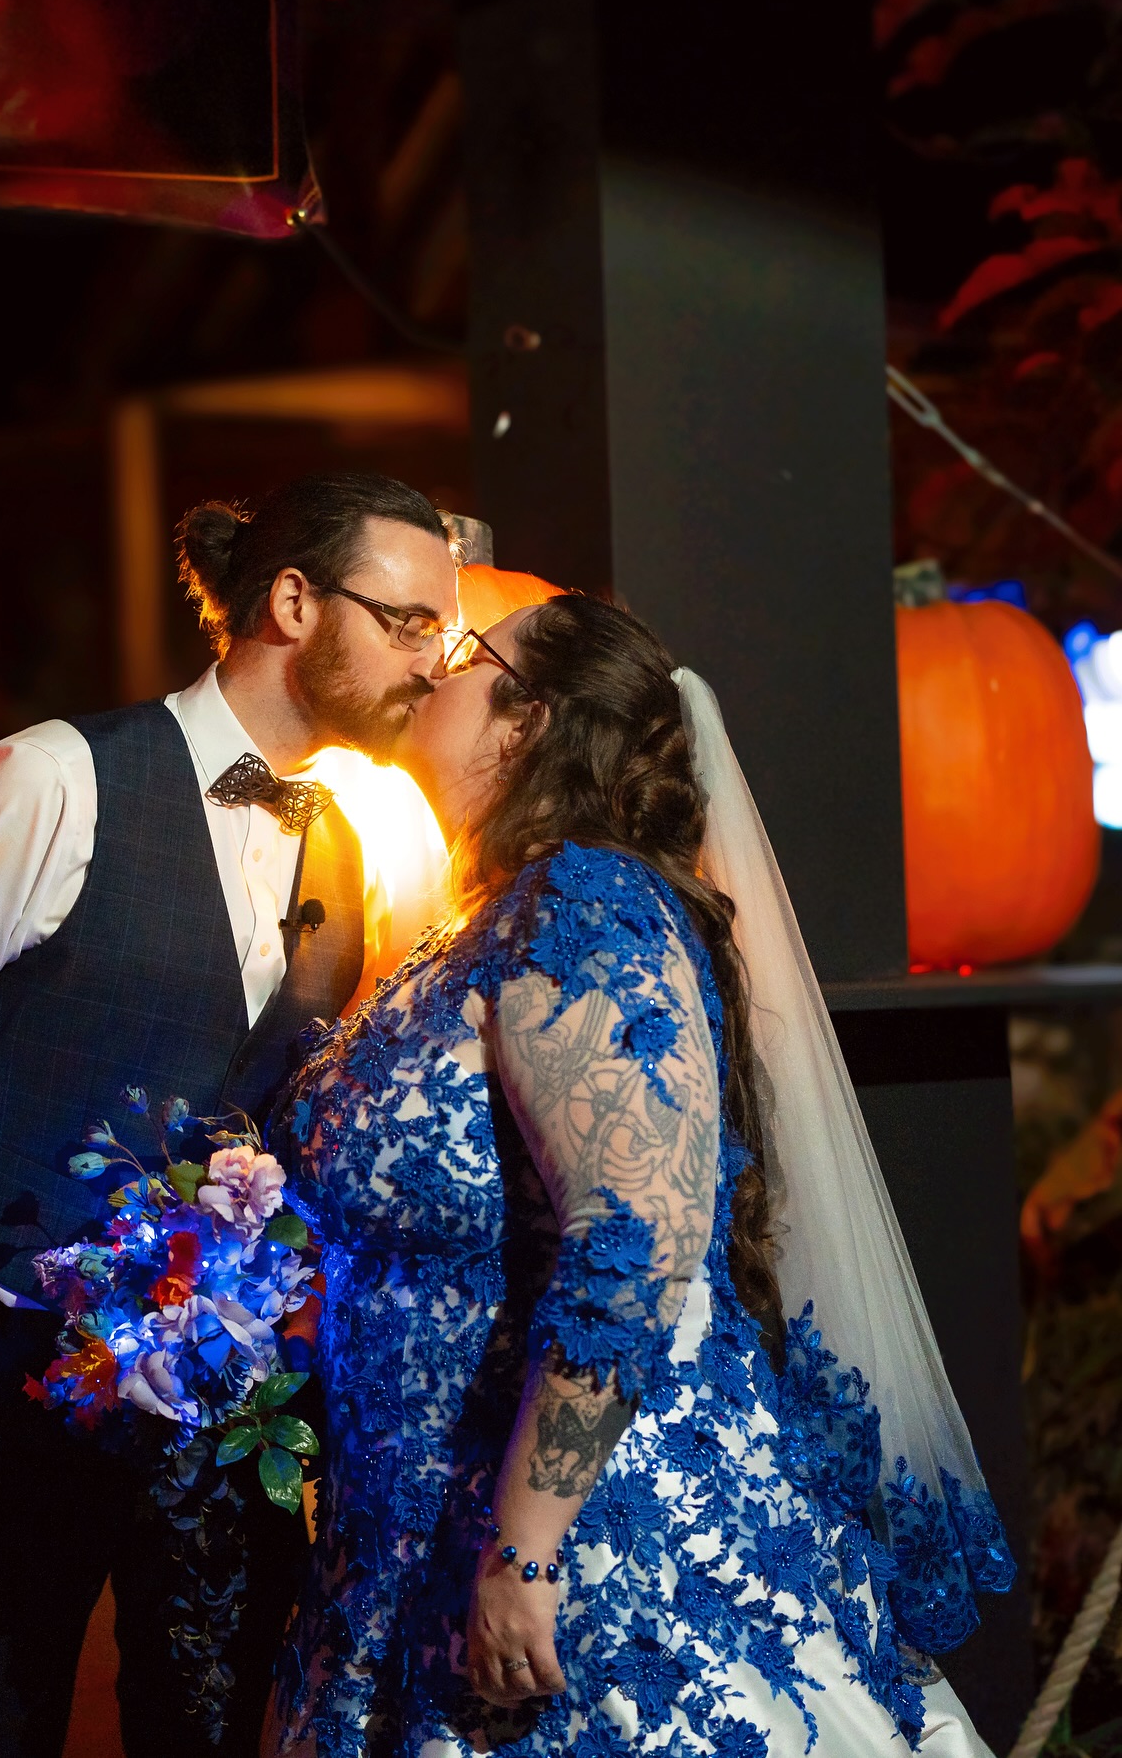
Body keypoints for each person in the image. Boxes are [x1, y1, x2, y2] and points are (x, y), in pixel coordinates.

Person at [0, 473, 459, 1758]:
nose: (432, 663)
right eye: (409, 621)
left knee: (209, 1728)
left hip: (221, 1411)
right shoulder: (53, 780)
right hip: (3, 1378)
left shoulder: (351, 843)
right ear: (295, 601)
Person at [270, 596, 1010, 1755]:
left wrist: (526, 1545)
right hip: (403, 1548)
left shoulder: (583, 908)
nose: (434, 676)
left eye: (468, 658)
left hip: (588, 1564)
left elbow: (633, 1240)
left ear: (531, 723)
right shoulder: (481, 918)